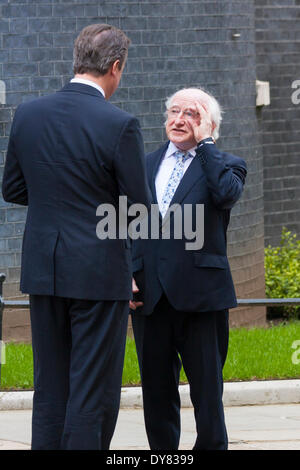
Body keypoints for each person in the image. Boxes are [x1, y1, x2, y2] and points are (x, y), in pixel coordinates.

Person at [2, 23, 151, 450]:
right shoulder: (120, 124)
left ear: (76, 59)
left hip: (43, 272)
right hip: (98, 274)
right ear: (116, 67)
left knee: (50, 387)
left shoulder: (28, 113)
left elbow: (12, 189)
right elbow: (138, 209)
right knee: (92, 390)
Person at [130, 87, 247, 450]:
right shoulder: (143, 164)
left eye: (192, 115)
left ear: (209, 125)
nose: (179, 120)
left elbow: (226, 195)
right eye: (174, 112)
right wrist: (127, 273)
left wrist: (206, 144)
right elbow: (125, 223)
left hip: (201, 295)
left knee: (207, 393)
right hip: (149, 298)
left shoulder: (226, 163)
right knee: (157, 393)